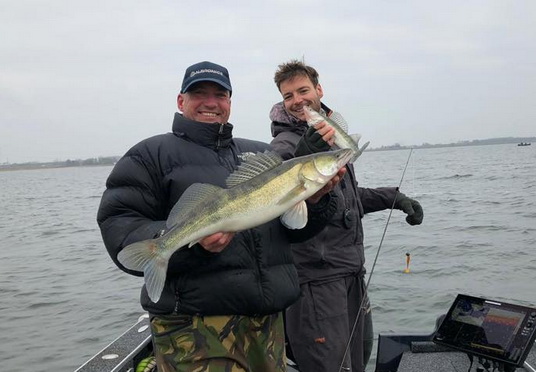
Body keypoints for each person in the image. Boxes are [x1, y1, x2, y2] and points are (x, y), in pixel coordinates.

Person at [97, 61, 346, 372]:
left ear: (229, 102)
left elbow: (292, 231)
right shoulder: (149, 155)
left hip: (267, 326)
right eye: (199, 93)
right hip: (194, 329)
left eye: (220, 94)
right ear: (180, 100)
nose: (211, 102)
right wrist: (186, 244)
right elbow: (119, 224)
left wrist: (319, 199)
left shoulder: (257, 153)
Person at [269, 60, 424, 372]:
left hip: (352, 273)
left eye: (303, 90)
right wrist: (302, 154)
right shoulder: (283, 146)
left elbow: (346, 201)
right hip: (315, 281)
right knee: (330, 366)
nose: (297, 100)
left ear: (319, 90)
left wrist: (394, 198)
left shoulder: (332, 137)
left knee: (357, 360)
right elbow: (280, 207)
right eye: (288, 96)